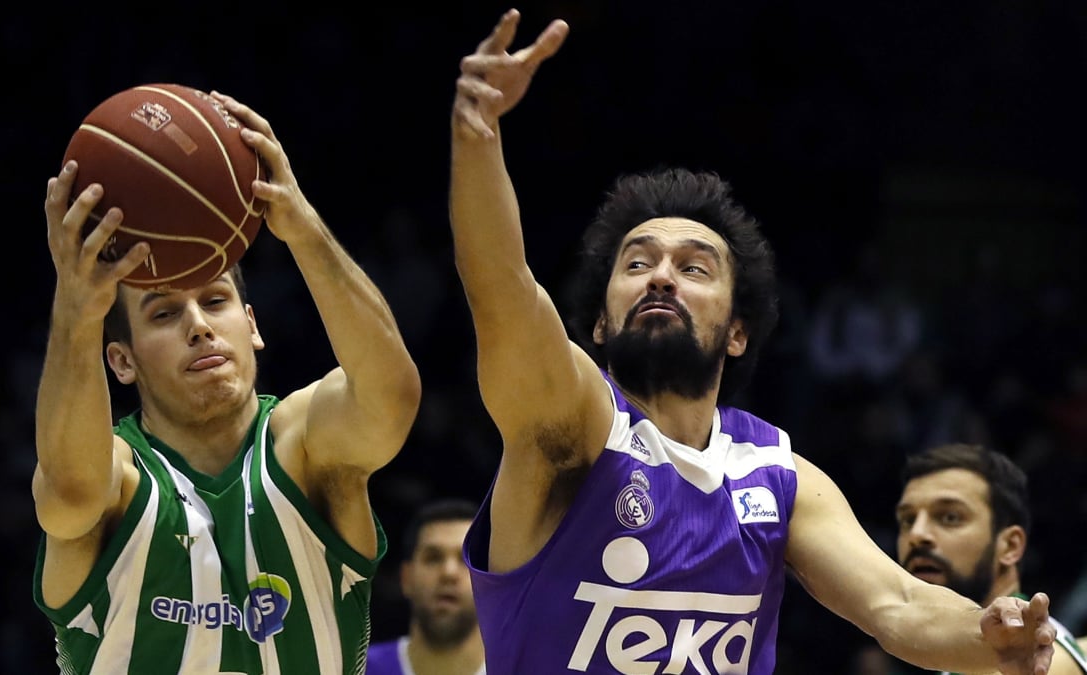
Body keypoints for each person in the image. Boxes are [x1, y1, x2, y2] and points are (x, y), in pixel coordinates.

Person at [447, 9, 1056, 674]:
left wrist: (988, 636)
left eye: (695, 267)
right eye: (638, 262)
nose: (662, 278)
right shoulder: (566, 425)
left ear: (737, 331)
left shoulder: (776, 473)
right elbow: (501, 289)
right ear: (600, 323)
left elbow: (899, 604)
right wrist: (477, 138)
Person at [32, 90, 421, 673]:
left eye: (216, 301)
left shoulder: (304, 448)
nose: (198, 325)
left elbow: (391, 400)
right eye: (164, 313)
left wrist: (302, 227)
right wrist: (76, 312)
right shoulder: (118, 479)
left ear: (251, 324)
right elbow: (68, 493)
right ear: (120, 361)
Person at [869, 443, 1087, 675]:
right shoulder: (950, 656)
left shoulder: (1039, 664)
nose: (917, 535)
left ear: (1010, 546)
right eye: (908, 520)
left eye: (950, 517)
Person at [366, 499, 485, 675]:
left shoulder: (524, 668)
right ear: (406, 578)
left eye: (465, 559)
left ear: (489, 581)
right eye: (433, 558)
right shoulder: (355, 669)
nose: (448, 573)